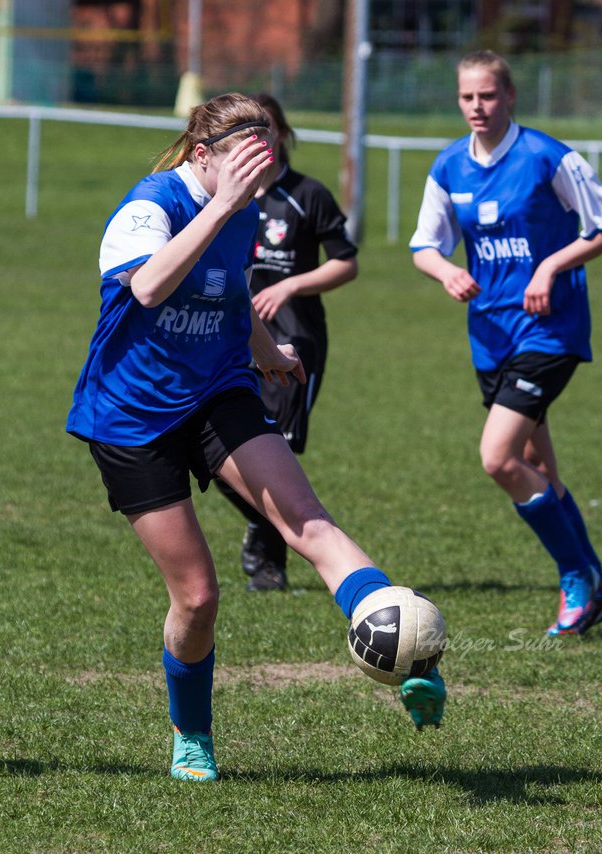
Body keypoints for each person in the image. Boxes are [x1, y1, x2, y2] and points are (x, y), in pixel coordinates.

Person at [67, 92, 445, 782]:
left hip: (216, 390)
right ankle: (192, 735)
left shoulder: (242, 207)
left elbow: (229, 291)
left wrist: (265, 350)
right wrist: (218, 209)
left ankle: (407, 650)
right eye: (248, 155)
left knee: (309, 523)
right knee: (199, 597)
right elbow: (149, 288)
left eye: (268, 154)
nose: (261, 170)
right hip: (132, 418)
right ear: (204, 155)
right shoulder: (150, 208)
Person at [409, 50, 602, 636]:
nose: (476, 107)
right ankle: (596, 590)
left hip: (550, 330)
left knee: (498, 457)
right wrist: (445, 271)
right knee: (536, 465)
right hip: (491, 333)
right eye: (466, 97)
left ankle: (579, 577)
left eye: (487, 96)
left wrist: (550, 267)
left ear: (510, 97)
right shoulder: (449, 166)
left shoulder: (546, 156)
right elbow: (424, 244)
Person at [218, 92, 359, 593]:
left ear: (282, 133)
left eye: (268, 129)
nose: (260, 141)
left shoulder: (307, 195)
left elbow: (347, 261)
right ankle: (267, 530)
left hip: (295, 339)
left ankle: (272, 554)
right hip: (227, 341)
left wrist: (289, 284)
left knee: (278, 448)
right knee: (219, 453)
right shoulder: (224, 201)